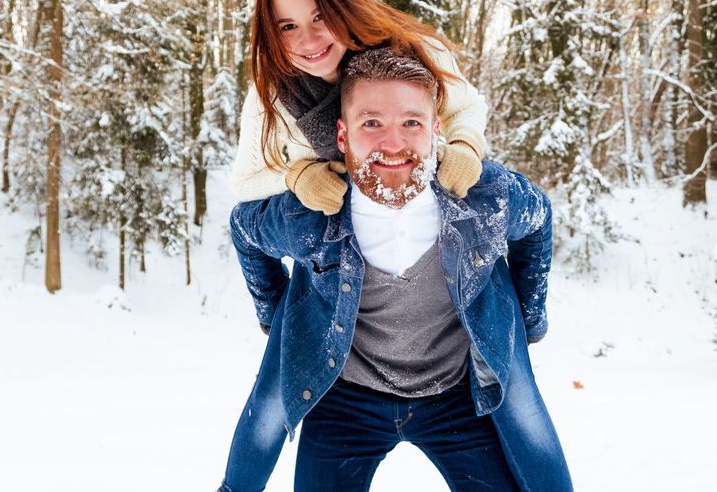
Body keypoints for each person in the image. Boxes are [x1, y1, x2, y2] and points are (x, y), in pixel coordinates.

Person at [220, 48, 573, 491]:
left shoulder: (483, 199)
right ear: (343, 136)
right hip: (344, 402)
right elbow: (244, 229)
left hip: (459, 399)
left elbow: (538, 218)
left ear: (435, 132)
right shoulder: (309, 215)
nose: (393, 144)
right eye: (372, 124)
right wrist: (275, 314)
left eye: (411, 123)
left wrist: (529, 316)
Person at [228, 0, 488, 214]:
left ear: (342, 5)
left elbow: (467, 107)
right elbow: (244, 182)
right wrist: (296, 177)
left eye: (319, 17)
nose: (310, 41)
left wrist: (465, 146)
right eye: (289, 26)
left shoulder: (412, 51)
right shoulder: (273, 93)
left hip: (426, 215)